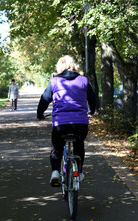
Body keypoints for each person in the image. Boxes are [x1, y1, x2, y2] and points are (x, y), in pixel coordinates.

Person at [37, 55, 97, 186]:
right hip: (80, 124)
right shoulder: (83, 80)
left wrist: (40, 114)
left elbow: (44, 100)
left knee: (57, 147)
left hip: (60, 124)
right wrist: (91, 111)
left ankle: (55, 172)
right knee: (79, 145)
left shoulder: (54, 81)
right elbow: (93, 99)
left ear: (59, 67)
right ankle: (79, 173)